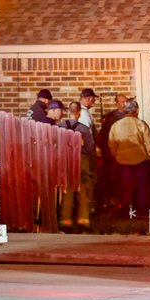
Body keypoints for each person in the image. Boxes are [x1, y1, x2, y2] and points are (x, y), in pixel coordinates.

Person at [108, 99, 150, 221]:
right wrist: (148, 157)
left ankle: (125, 211)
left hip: (122, 162)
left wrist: (116, 157)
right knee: (141, 187)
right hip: (140, 160)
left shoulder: (116, 126)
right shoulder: (141, 124)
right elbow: (149, 143)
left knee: (125, 187)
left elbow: (112, 145)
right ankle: (142, 211)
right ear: (136, 110)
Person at [59, 99, 96, 232]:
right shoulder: (84, 129)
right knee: (83, 190)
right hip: (81, 160)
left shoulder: (60, 127)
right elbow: (90, 148)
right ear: (79, 113)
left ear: (69, 112)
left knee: (67, 191)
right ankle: (83, 221)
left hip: (64, 160)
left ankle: (65, 221)